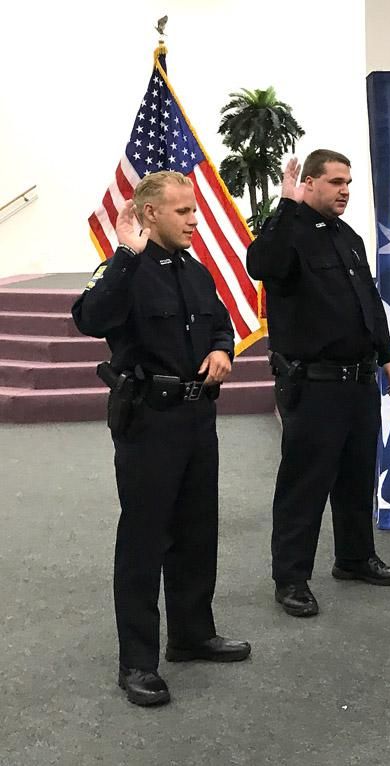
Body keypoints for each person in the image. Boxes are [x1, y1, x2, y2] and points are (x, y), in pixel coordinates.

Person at [72, 171, 251, 707]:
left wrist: (222, 350)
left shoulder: (195, 272)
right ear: (150, 213)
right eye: (183, 211)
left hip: (197, 418)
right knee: (144, 539)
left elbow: (220, 324)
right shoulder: (124, 270)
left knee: (197, 530)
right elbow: (90, 318)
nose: (195, 220)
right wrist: (126, 257)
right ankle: (137, 662)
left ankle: (192, 634)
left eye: (194, 210)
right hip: (149, 419)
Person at [247, 149, 390, 619]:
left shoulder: (347, 237)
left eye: (348, 182)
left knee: (357, 475)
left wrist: (386, 354)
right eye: (335, 182)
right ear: (309, 183)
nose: (345, 190)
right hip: (313, 384)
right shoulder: (288, 234)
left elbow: (368, 301)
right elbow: (262, 265)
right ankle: (291, 578)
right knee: (305, 484)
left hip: (358, 379)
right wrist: (285, 205)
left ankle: (354, 558)